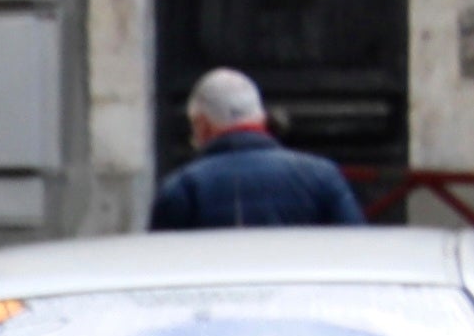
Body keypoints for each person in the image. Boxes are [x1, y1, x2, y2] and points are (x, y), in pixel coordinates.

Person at [149, 66, 364, 231]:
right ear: (261, 117)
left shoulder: (184, 188)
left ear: (202, 125)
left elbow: (163, 268)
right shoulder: (322, 176)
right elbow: (354, 251)